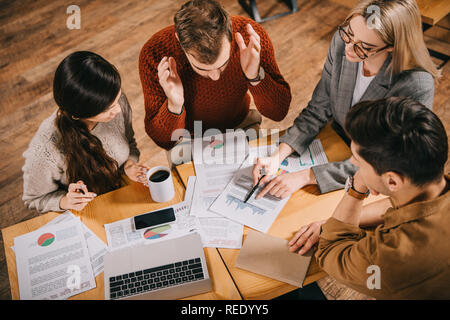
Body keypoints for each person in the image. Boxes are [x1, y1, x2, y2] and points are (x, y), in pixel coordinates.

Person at [252, 0, 440, 199]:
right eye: (349, 34)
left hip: (375, 174)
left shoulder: (416, 85)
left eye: (363, 47)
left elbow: (389, 158)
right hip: (335, 140)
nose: (349, 48)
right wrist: (277, 156)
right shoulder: (343, 43)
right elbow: (319, 107)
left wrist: (307, 176)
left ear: (392, 47)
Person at [289, 97, 449, 299]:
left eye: (358, 162)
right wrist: (331, 221)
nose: (352, 163)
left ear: (392, 181)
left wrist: (356, 190)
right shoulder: (430, 186)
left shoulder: (391, 257)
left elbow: (331, 250)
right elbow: (405, 209)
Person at [138, 0, 291, 158]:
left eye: (222, 65)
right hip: (186, 136)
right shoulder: (154, 53)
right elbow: (164, 141)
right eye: (202, 69)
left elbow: (278, 113)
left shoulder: (250, 36)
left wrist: (255, 77)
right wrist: (174, 105)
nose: (215, 77)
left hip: (241, 124)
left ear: (230, 32)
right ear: (179, 40)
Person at [22, 51, 147, 213]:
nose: (118, 109)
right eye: (108, 109)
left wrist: (129, 165)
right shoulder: (47, 147)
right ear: (78, 114)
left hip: (121, 196)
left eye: (118, 98)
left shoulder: (115, 100)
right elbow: (34, 199)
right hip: (85, 212)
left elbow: (130, 142)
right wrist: (66, 201)